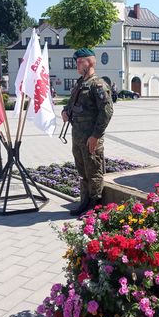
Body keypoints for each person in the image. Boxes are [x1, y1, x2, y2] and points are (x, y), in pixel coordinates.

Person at [62, 48, 113, 216]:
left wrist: (96, 136)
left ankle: (94, 206)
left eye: (79, 61)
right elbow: (71, 104)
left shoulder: (97, 85)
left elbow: (106, 112)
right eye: (76, 61)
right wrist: (65, 111)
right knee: (83, 172)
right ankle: (84, 202)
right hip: (77, 137)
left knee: (94, 171)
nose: (76, 64)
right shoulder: (79, 84)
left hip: (91, 138)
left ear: (89, 62)